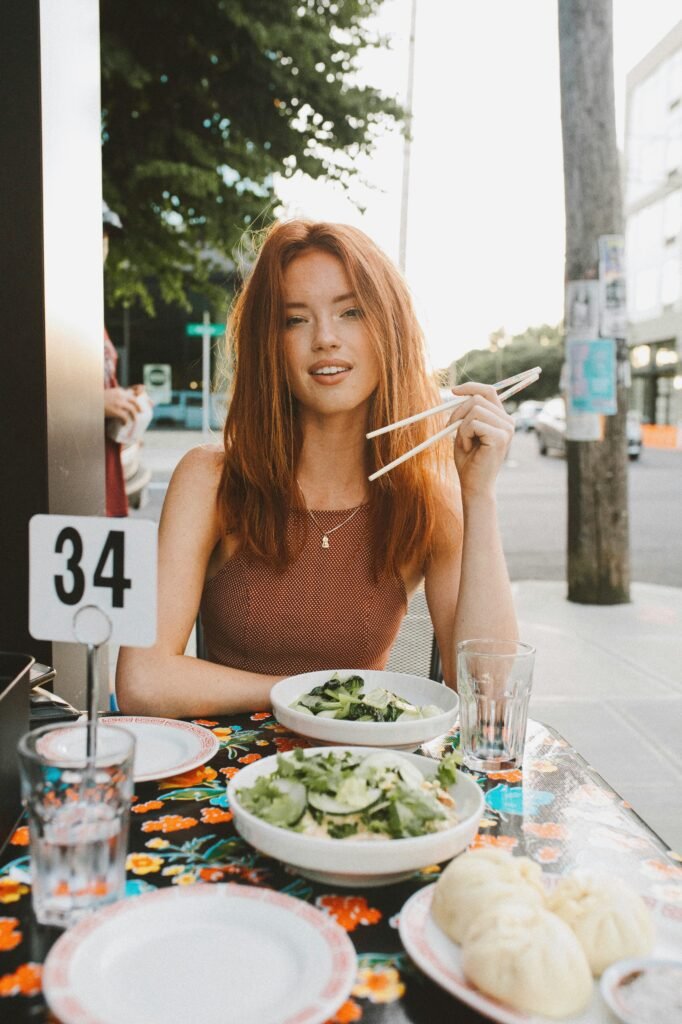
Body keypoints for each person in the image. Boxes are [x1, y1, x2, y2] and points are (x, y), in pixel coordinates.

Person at [117, 220, 517, 717]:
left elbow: (491, 696)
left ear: (389, 330)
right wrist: (315, 695)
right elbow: (144, 680)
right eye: (295, 320)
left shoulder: (426, 494)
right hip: (227, 782)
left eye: (351, 312)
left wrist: (479, 495)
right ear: (270, 344)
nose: (325, 338)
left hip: (364, 779)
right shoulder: (211, 480)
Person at [102, 202, 146, 516]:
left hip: (100, 468)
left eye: (104, 239)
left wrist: (124, 399)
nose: (103, 248)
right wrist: (93, 401)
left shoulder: (84, 308)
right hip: (69, 479)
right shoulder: (36, 302)